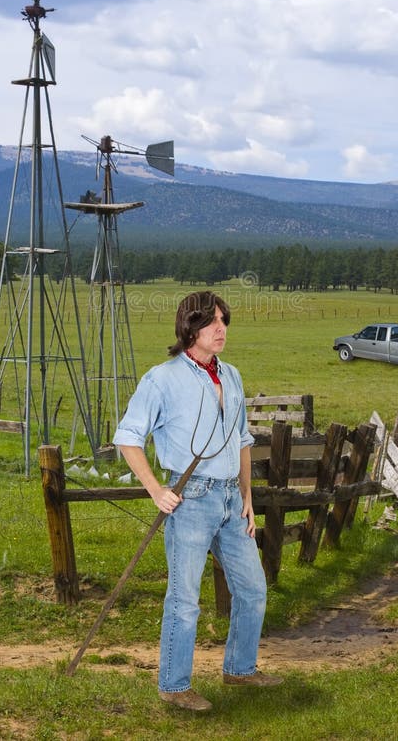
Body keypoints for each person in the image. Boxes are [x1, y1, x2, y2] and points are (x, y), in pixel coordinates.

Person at [113, 290, 283, 712]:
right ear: (190, 327)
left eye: (224, 321)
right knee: (185, 598)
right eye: (212, 322)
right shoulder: (161, 378)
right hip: (191, 500)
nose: (221, 329)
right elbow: (128, 437)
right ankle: (174, 685)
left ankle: (240, 670)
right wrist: (156, 489)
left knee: (254, 589)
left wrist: (248, 496)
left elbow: (243, 440)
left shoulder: (233, 375)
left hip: (230, 499)